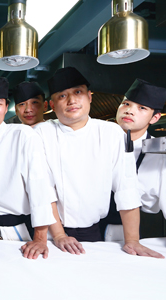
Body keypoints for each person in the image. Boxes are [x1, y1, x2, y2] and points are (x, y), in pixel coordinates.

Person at [35, 67, 163, 258]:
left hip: (93, 232)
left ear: (89, 97)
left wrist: (132, 241)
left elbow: (126, 188)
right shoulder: (39, 133)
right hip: (49, 232)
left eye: (78, 92)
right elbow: (42, 189)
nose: (71, 101)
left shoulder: (111, 133)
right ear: (52, 105)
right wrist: (60, 234)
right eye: (62, 96)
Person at [0, 77, 56, 259]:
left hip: (16, 229)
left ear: (5, 108)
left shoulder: (23, 135)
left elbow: (39, 186)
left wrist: (40, 239)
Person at [114, 79, 166, 226]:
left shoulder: (160, 154)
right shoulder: (101, 143)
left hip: (142, 231)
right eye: (126, 103)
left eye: (142, 108)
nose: (129, 110)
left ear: (155, 118)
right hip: (91, 231)